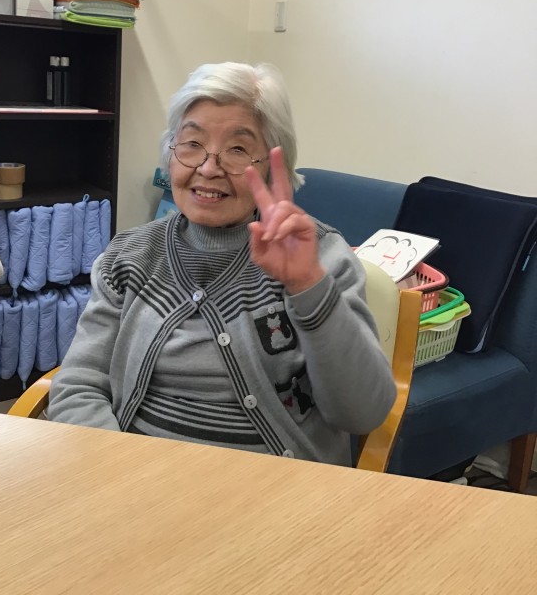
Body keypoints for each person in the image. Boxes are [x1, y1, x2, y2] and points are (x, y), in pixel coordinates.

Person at [48, 61, 396, 466]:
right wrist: (120, 471)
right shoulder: (129, 256)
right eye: (192, 143)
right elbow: (79, 386)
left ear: (274, 166)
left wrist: (308, 285)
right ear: (170, 154)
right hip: (137, 479)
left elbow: (363, 414)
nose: (208, 168)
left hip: (281, 488)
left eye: (238, 150)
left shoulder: (320, 256)